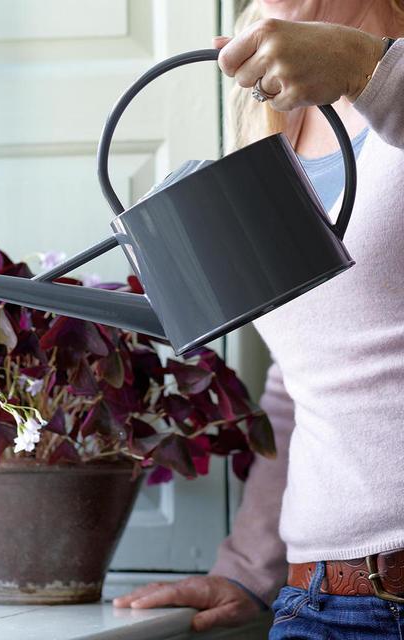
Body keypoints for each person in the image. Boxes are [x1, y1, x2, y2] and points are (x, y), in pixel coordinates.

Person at [113, 1, 404, 637]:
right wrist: (248, 566)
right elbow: (302, 382)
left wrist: (369, 71)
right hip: (320, 603)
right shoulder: (272, 115)